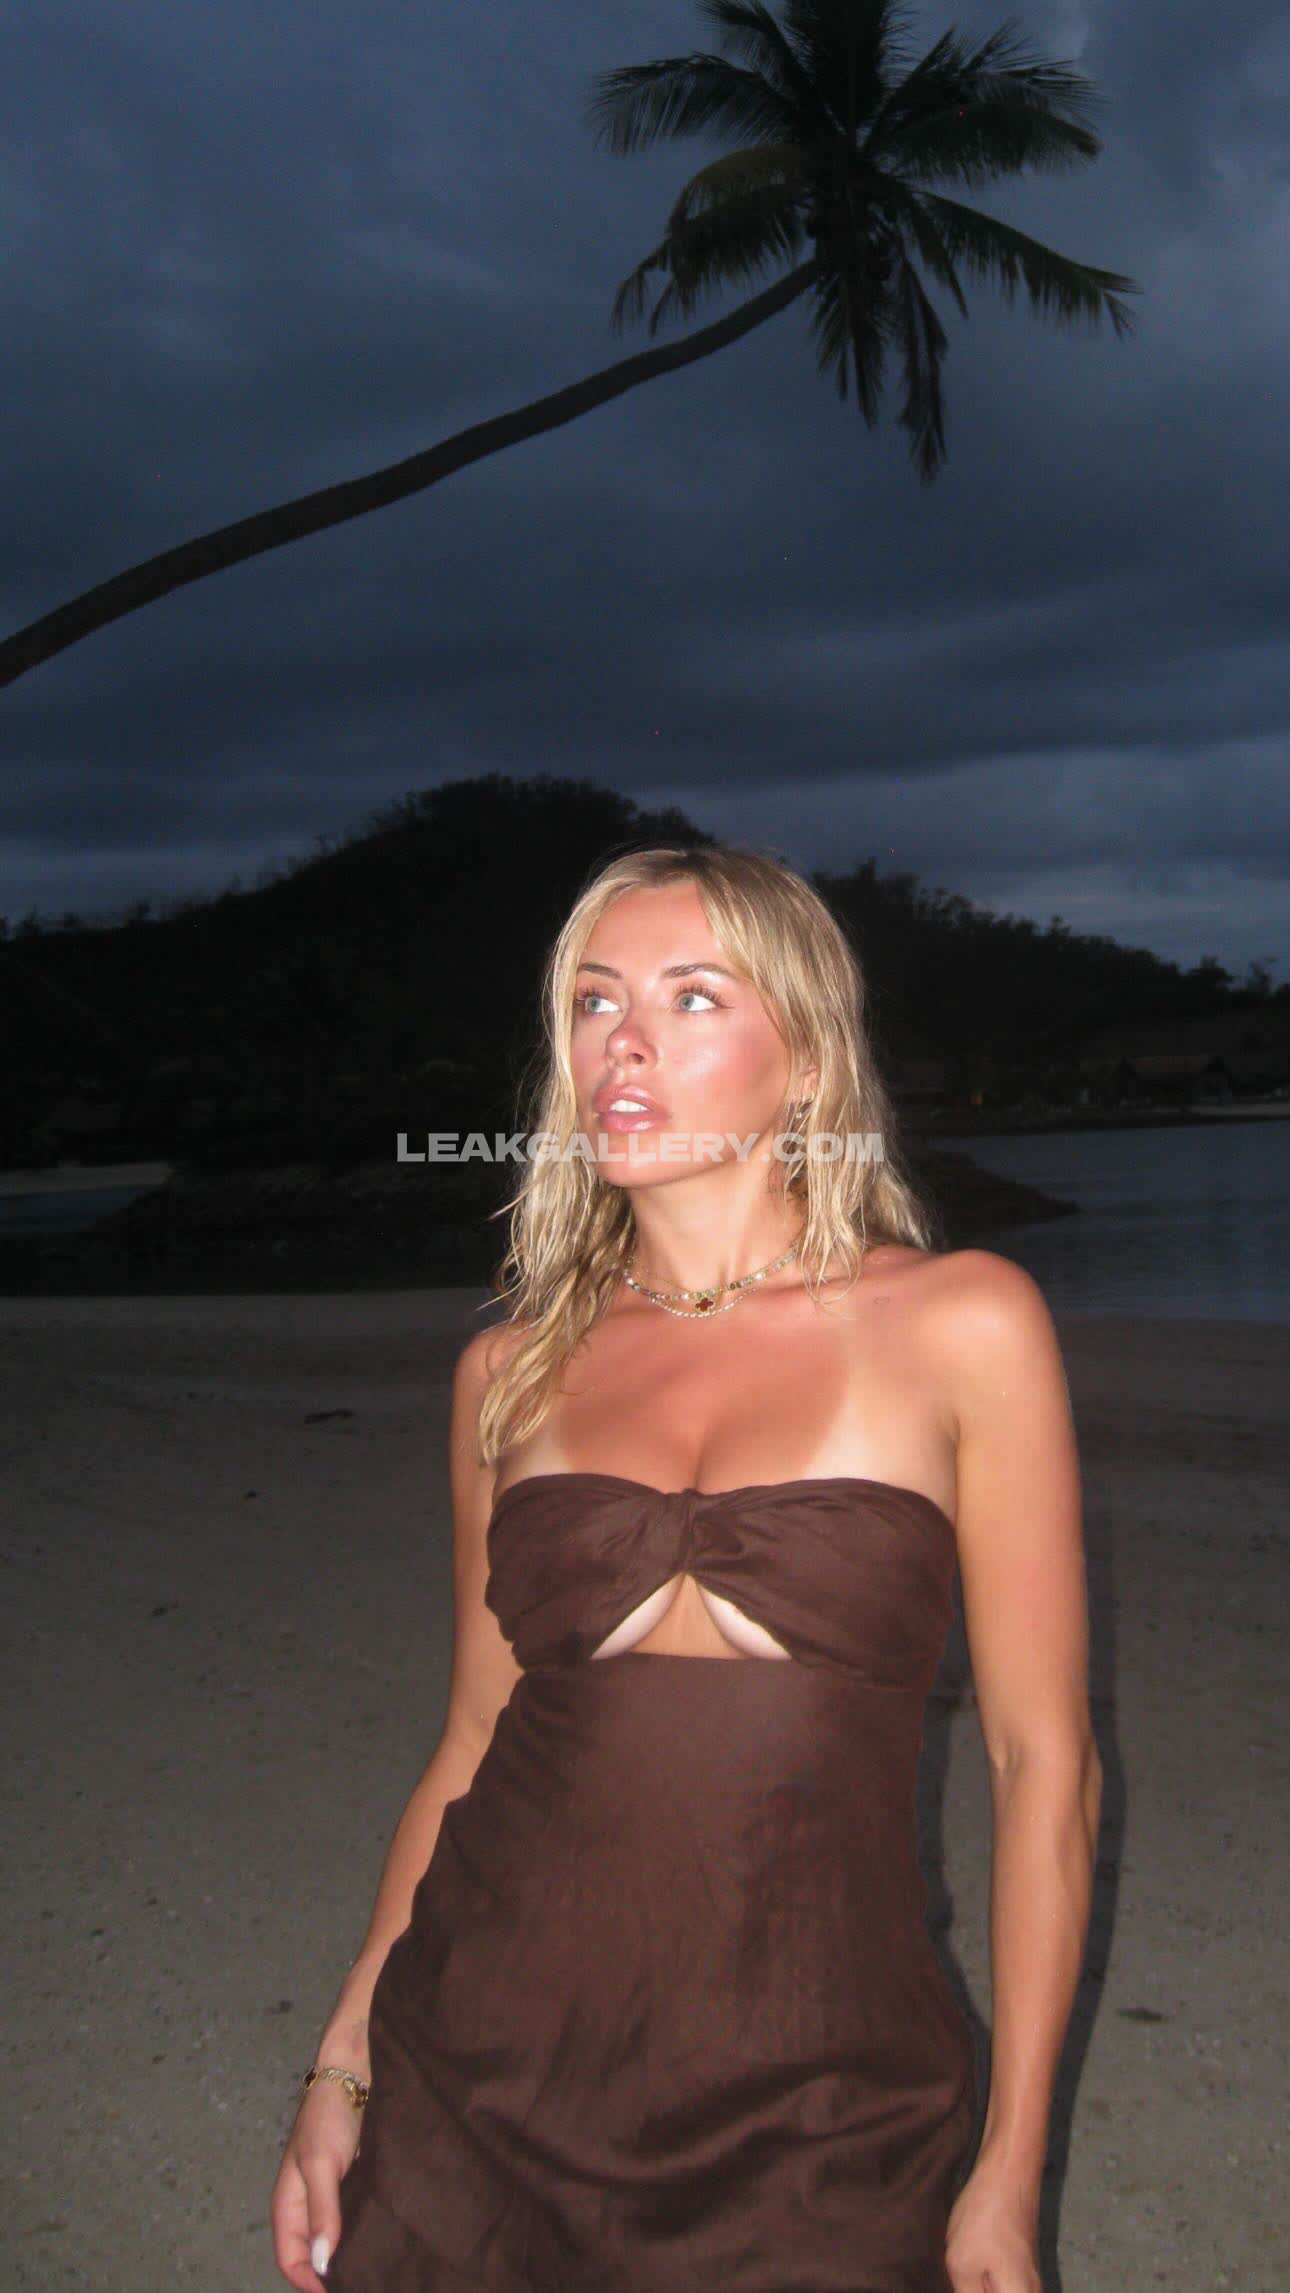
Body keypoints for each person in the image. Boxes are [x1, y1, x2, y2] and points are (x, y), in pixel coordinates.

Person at [270, 843, 1101, 2293]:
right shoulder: (507, 1372)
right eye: (594, 1001)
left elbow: (1047, 1768)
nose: (625, 1041)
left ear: (807, 1061)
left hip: (828, 2095)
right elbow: (470, 1740)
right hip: (479, 2080)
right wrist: (343, 2066)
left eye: (692, 996)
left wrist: (1008, 2171)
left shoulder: (964, 1324)